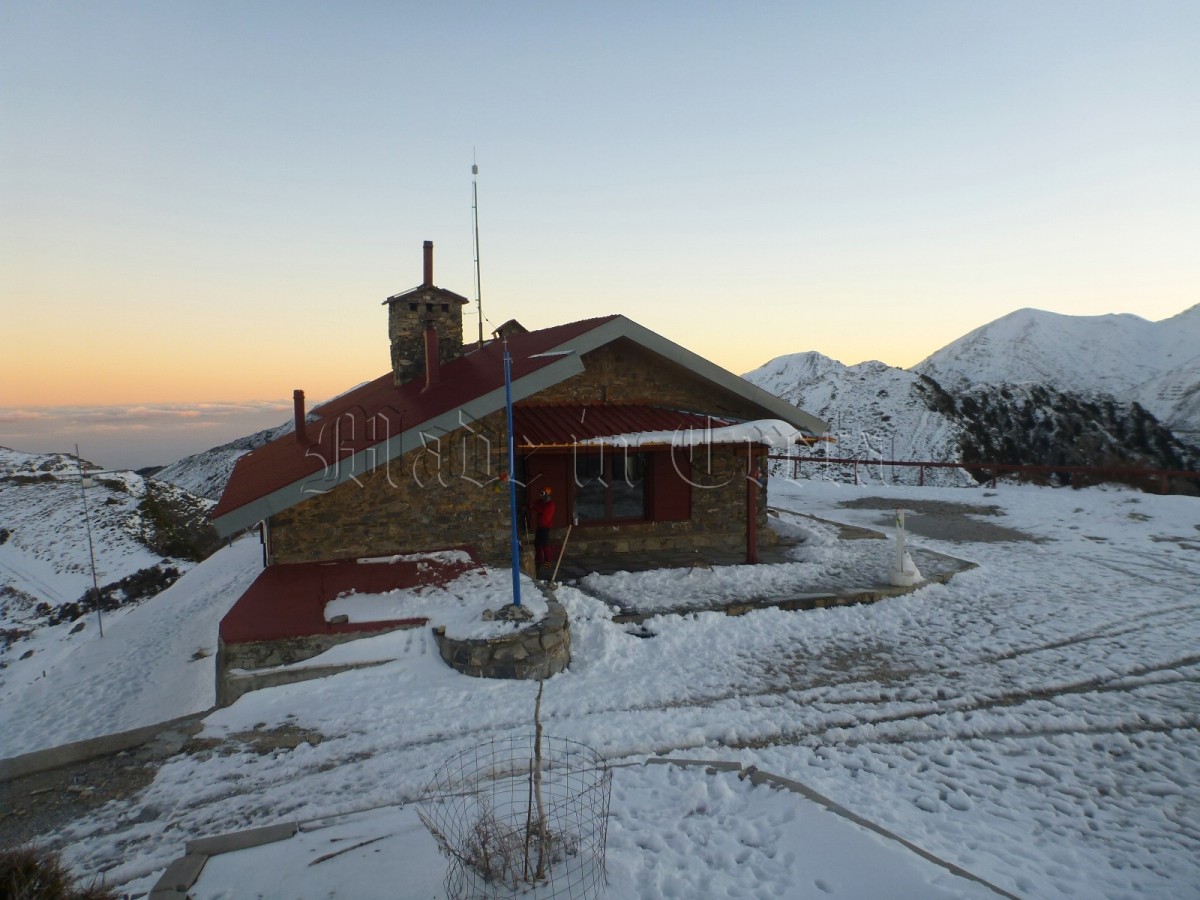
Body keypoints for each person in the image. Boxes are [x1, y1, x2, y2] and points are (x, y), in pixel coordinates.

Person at [530, 486, 556, 568]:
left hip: (545, 527)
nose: (541, 496)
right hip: (540, 526)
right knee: (537, 544)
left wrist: (534, 507)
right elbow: (535, 504)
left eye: (543, 494)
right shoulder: (542, 502)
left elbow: (543, 511)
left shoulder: (550, 505)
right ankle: (539, 560)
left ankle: (548, 561)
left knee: (544, 544)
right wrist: (528, 506)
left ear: (547, 495)